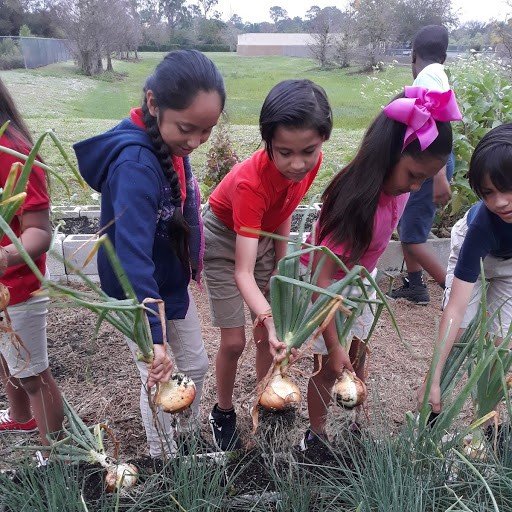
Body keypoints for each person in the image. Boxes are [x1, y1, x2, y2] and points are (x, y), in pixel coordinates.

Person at [74, 50, 225, 457]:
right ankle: (164, 456)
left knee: (194, 365)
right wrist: (155, 339)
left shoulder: (169, 147)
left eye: (207, 131)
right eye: (187, 129)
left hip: (167, 280)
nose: (194, 142)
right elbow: (132, 258)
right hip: (138, 293)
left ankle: (187, 434)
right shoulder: (135, 165)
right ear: (154, 103)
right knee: (158, 377)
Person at [300, 86, 462, 450]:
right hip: (328, 287)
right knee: (328, 366)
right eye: (413, 175)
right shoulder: (353, 203)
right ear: (388, 154)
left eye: (425, 179)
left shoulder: (398, 188)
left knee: (358, 356)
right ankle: (316, 437)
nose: (416, 187)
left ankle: (353, 425)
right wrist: (333, 344)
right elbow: (320, 283)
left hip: (362, 280)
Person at [203, 79, 333, 451]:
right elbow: (241, 271)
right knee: (235, 341)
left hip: (263, 234)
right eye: (285, 152)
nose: (298, 163)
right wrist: (270, 316)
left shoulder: (309, 164)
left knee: (266, 339)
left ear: (322, 140)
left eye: (308, 151)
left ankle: (267, 397)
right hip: (224, 241)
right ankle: (223, 412)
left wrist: (280, 264)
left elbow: (284, 206)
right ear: (268, 142)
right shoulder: (250, 184)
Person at [418, 123, 512, 414]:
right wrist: (433, 376)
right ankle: (431, 399)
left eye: (508, 188)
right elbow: (456, 308)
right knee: (459, 331)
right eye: (488, 192)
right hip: (475, 248)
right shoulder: (482, 226)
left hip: (509, 262)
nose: (499, 201)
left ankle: (487, 417)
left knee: (502, 343)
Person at [0, 77, 64, 446]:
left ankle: (55, 454)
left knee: (33, 374)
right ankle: (22, 418)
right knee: (6, 357)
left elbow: (39, 232)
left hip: (19, 286)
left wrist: (5, 256)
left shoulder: (16, 154)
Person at [388, 25, 456, 305]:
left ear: (413, 56)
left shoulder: (427, 77)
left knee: (413, 237)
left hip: (429, 165)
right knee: (408, 227)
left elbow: (433, 129)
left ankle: (454, 293)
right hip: (430, 163)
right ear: (444, 56)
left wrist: (438, 176)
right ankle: (415, 285)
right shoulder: (438, 73)